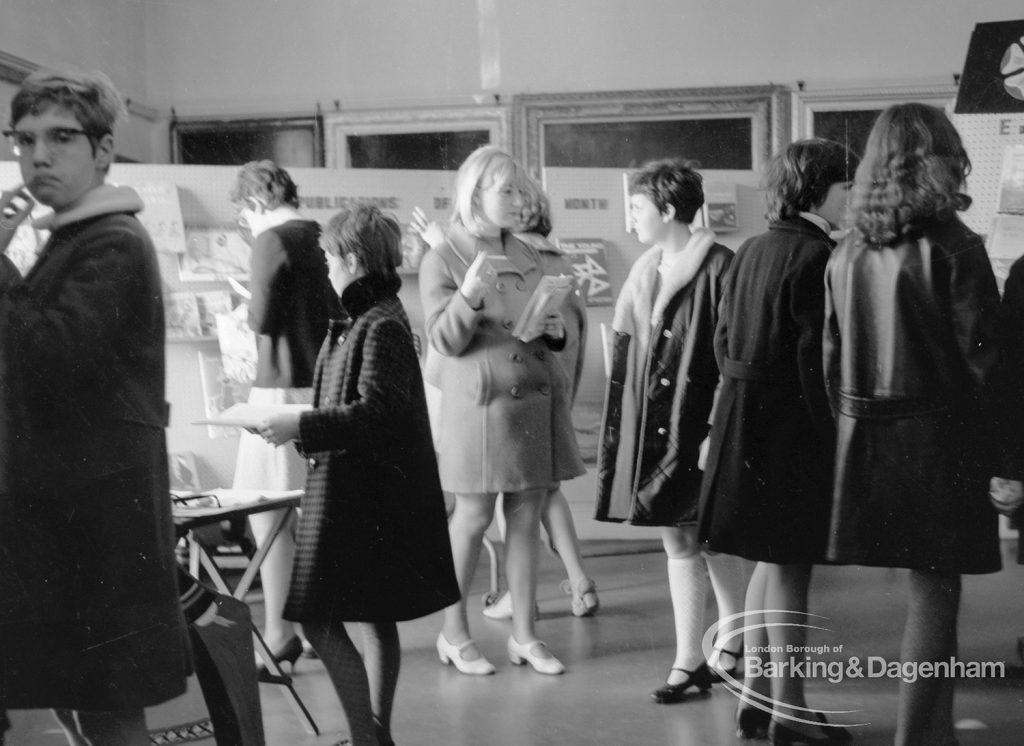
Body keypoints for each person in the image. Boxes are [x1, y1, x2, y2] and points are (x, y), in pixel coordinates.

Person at [0, 69, 190, 745]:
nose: (38, 156)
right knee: (92, 702)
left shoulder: (113, 241)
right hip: (77, 518)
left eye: (60, 138)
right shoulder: (75, 237)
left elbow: (50, 355)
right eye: (23, 140)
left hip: (99, 525)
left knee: (111, 709)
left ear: (105, 150)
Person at [824, 103, 1003, 746]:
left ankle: (938, 733)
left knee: (929, 593)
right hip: (939, 444)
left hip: (866, 441)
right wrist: (1006, 460)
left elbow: (830, 361)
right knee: (936, 596)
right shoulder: (957, 247)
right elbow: (987, 368)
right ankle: (913, 738)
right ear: (939, 157)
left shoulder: (845, 253)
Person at [259, 205, 459, 746]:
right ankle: (374, 734)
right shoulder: (363, 317)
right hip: (356, 490)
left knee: (318, 621)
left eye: (328, 258)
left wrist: (296, 422)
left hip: (360, 497)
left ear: (351, 258)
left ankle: (367, 738)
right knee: (372, 618)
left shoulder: (380, 324)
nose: (325, 267)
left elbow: (377, 414)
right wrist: (295, 427)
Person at [698, 139, 857, 744]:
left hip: (744, 416)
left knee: (769, 558)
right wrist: (837, 443)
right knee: (792, 567)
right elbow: (818, 363)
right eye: (845, 188)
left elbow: (720, 341)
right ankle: (790, 709)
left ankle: (758, 698)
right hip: (792, 425)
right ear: (819, 191)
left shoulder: (750, 250)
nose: (852, 199)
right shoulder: (819, 257)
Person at [419, 145, 586, 676]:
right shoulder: (444, 254)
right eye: (506, 190)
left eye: (521, 189)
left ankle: (525, 636)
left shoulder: (533, 254)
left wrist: (556, 331)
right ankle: (454, 633)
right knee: (469, 519)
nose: (519, 200)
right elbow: (443, 340)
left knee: (525, 518)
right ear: (475, 195)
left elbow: (542, 326)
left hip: (533, 401)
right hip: (480, 408)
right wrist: (466, 296)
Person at [594, 158, 746, 704]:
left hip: (697, 425)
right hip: (658, 425)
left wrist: (716, 430)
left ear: (667, 209)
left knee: (712, 537)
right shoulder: (647, 269)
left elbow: (733, 360)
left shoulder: (721, 267)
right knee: (678, 538)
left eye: (636, 208)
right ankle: (691, 659)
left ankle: (733, 641)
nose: (629, 219)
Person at [229, 160, 340, 674]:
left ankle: (277, 633)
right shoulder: (321, 235)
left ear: (253, 204)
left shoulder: (269, 239)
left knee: (265, 512)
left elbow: (261, 318)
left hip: (277, 390)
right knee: (312, 515)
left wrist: (242, 302)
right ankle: (314, 627)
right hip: (321, 390)